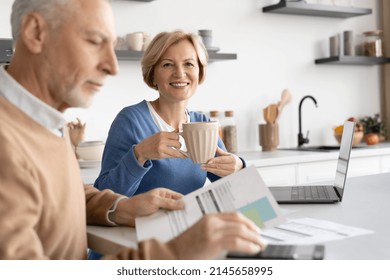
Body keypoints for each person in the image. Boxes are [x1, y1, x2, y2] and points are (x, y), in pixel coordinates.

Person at [0, 0, 266, 260]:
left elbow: (62, 195)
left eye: (189, 64)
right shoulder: (9, 137)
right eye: (94, 41)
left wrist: (120, 207)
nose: (113, 67)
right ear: (36, 32)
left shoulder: (45, 122)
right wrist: (176, 253)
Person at [94, 30, 245, 197]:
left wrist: (239, 167)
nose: (180, 73)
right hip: (141, 222)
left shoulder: (202, 123)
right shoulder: (131, 121)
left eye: (189, 64)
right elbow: (103, 195)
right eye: (167, 64)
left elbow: (236, 193)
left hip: (190, 220)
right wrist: (140, 155)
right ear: (152, 75)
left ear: (200, 72)